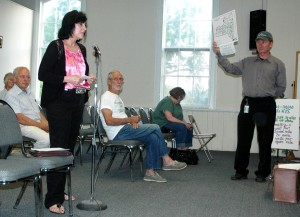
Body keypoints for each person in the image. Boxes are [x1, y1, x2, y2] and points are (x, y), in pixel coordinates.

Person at [38, 10, 95, 214]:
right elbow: (43, 74)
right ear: (71, 25)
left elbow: (81, 73)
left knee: (68, 149)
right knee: (59, 148)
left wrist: (87, 79)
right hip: (58, 103)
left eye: (85, 25)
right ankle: (51, 199)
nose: (84, 29)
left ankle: (60, 190)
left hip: (77, 101)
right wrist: (67, 78)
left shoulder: (82, 49)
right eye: (82, 25)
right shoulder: (56, 47)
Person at [213, 31, 286, 183]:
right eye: (258, 41)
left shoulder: (278, 64)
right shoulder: (247, 62)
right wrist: (219, 54)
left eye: (264, 41)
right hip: (248, 103)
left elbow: (281, 87)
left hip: (267, 104)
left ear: (271, 44)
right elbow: (230, 68)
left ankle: (262, 173)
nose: (260, 44)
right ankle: (241, 171)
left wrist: (269, 96)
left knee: (265, 140)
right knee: (244, 138)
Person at [99, 70, 187, 183]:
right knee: (155, 127)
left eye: (121, 79)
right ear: (109, 81)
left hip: (125, 129)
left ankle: (150, 172)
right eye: (116, 79)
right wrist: (130, 119)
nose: (119, 81)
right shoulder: (106, 97)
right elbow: (109, 121)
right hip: (118, 133)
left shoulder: (117, 98)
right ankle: (167, 160)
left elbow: (120, 117)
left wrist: (131, 122)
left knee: (153, 138)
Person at [5, 66, 50, 149]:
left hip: (35, 124)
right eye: (22, 77)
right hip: (23, 126)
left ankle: (47, 158)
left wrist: (47, 125)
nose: (26, 79)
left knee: (57, 136)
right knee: (47, 139)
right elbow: (20, 119)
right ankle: (34, 158)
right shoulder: (11, 95)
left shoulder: (30, 93)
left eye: (28, 77)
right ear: (14, 79)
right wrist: (41, 126)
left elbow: (38, 112)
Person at [152, 87, 197, 164]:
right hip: (161, 125)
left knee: (189, 127)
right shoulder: (167, 102)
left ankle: (184, 151)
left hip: (169, 124)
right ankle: (179, 152)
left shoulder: (177, 104)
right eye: (182, 98)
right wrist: (184, 124)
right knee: (182, 127)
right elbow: (169, 118)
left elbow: (180, 118)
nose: (181, 100)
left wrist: (186, 124)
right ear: (179, 97)